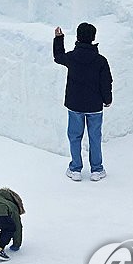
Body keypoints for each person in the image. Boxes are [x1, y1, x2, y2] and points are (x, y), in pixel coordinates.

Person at [53, 23, 113, 182]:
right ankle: (97, 170)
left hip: (75, 105)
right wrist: (107, 100)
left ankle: (75, 169)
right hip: (94, 106)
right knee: (94, 137)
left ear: (78, 37)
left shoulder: (72, 57)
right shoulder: (100, 61)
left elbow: (58, 57)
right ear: (93, 38)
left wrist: (59, 39)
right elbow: (106, 82)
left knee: (74, 136)